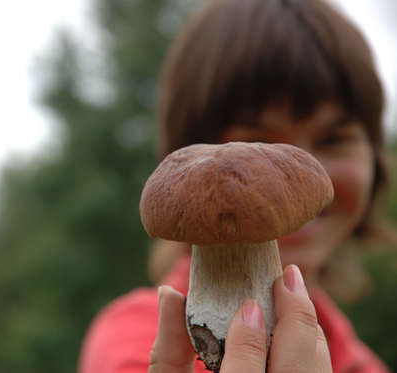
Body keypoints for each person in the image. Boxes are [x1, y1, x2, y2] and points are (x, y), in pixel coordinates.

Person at [78, 0, 395, 371]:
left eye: (334, 139)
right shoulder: (129, 344)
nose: (301, 170)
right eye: (256, 140)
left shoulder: (361, 363)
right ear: (187, 154)